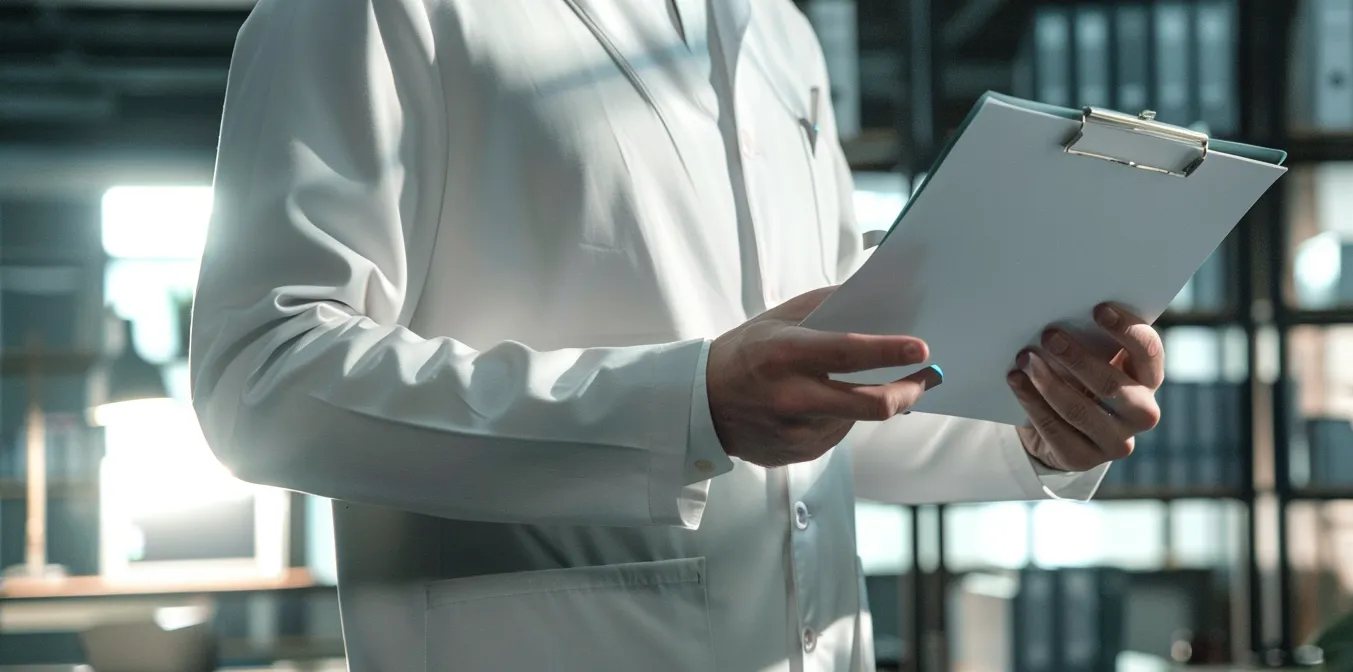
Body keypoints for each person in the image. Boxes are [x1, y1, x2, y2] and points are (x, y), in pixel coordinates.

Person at [189, 0, 1165, 670]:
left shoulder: (777, 30)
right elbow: (260, 378)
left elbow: (830, 402)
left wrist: (1038, 421)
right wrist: (687, 405)